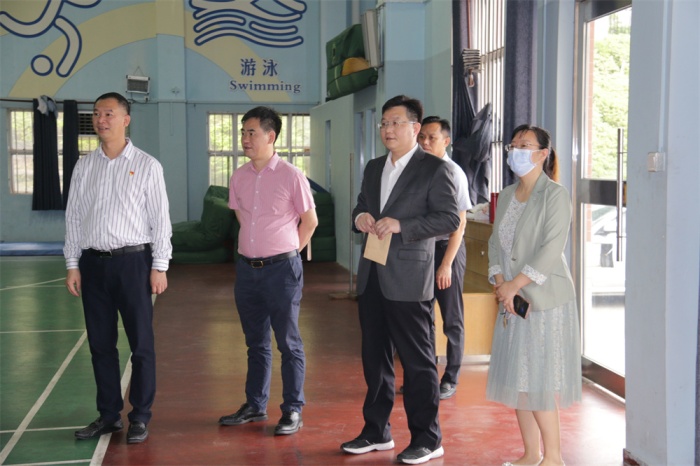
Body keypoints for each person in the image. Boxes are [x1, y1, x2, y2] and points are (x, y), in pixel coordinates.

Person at [342, 95, 460, 464]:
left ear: (414, 127)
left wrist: (402, 225)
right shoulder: (374, 167)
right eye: (384, 123)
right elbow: (361, 205)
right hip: (372, 274)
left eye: (395, 123)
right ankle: (376, 431)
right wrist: (360, 218)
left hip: (409, 277)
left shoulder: (434, 169)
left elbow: (449, 219)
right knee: (374, 357)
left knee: (417, 360)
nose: (387, 130)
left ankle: (428, 438)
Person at [64, 92, 172, 444]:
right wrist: (72, 263)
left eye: (109, 113)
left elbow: (160, 220)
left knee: (141, 345)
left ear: (126, 120)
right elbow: (74, 217)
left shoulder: (147, 165)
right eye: (96, 113)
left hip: (133, 264)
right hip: (93, 264)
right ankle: (109, 415)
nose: (101, 119)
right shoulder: (84, 166)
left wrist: (159, 265)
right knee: (100, 345)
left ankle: (140, 416)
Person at [486, 125, 581, 466]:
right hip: (512, 301)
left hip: (543, 299)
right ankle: (530, 454)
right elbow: (495, 243)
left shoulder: (554, 195)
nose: (516, 151)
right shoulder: (508, 194)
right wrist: (501, 282)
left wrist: (514, 285)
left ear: (542, 154)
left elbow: (551, 249)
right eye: (513, 145)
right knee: (519, 380)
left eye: (524, 145)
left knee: (537, 380)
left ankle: (553, 458)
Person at [219, 106, 317, 436]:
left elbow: (310, 222)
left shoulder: (291, 175)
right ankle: (255, 405)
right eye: (242, 133)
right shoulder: (239, 176)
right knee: (256, 343)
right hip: (247, 271)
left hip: (282, 271)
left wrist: (287, 254)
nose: (244, 138)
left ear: (270, 136)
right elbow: (241, 217)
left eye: (251, 132)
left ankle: (292, 409)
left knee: (288, 342)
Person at [417, 116, 472, 399]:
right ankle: (426, 377)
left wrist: (446, 264)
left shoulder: (453, 173)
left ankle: (451, 377)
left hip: (447, 249)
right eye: (422, 137)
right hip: (421, 250)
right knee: (422, 316)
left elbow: (459, 224)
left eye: (432, 138)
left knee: (451, 317)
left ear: (446, 141)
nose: (425, 143)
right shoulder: (417, 170)